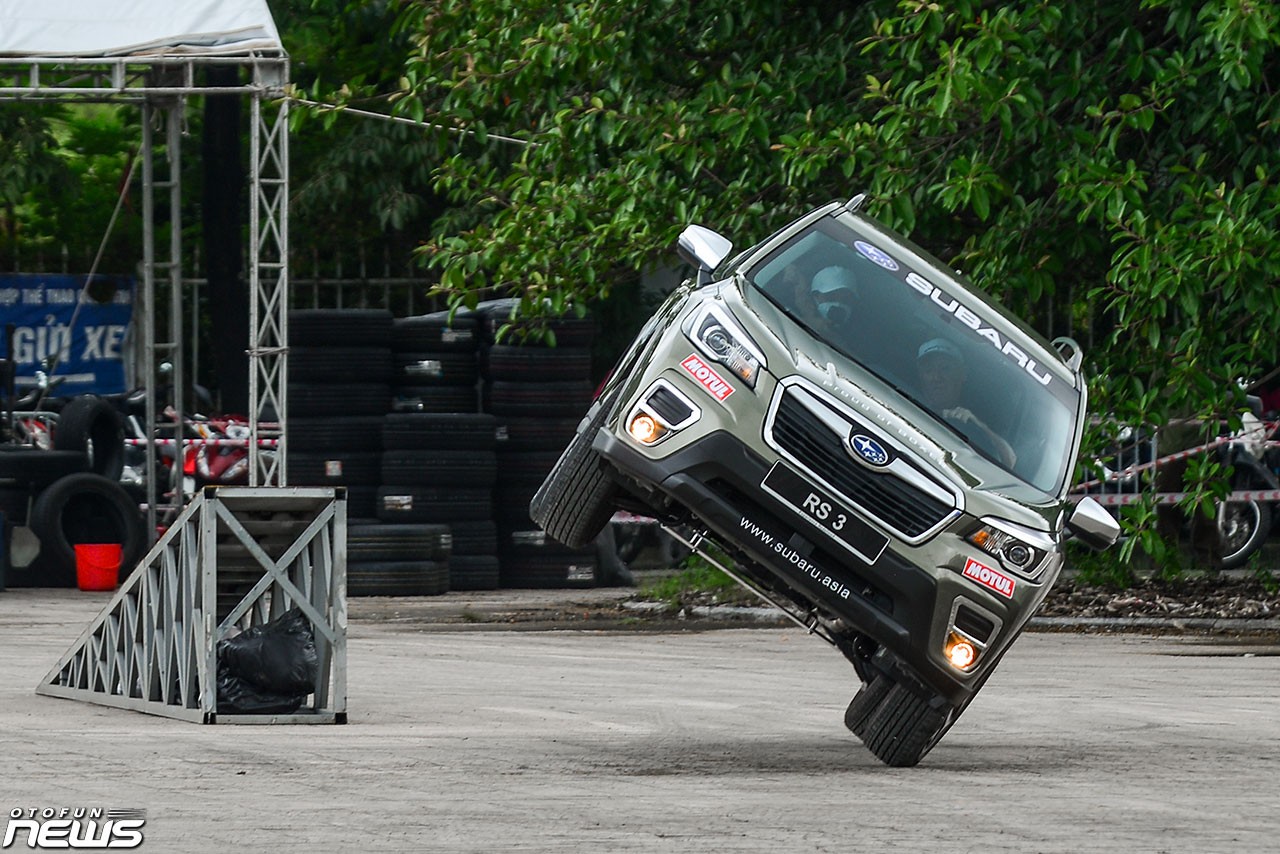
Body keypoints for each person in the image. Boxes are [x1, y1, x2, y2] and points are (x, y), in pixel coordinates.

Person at [916, 337, 1017, 467]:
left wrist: (979, 426)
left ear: (963, 374)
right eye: (929, 370)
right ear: (920, 375)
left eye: (945, 369)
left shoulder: (970, 425)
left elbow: (1010, 459)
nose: (936, 377)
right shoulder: (902, 402)